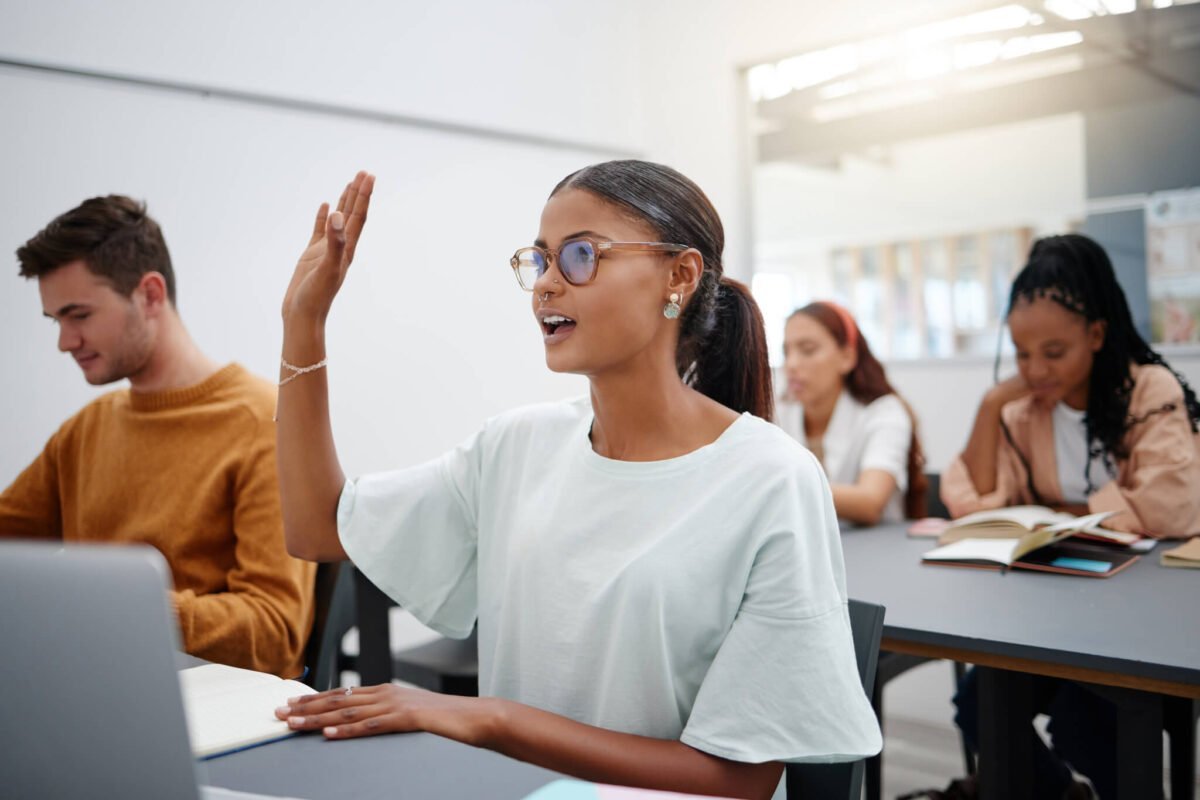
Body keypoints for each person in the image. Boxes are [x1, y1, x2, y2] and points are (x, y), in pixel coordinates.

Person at [272, 164, 881, 799]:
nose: (546, 286)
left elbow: (739, 780)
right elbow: (318, 525)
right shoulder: (515, 445)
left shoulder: (772, 478)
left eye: (581, 256)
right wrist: (303, 321)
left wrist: (489, 720)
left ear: (680, 276)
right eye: (540, 261)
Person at [0, 195, 315, 678]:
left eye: (78, 315)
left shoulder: (261, 421)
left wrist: (121, 612)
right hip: (90, 685)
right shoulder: (87, 430)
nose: (64, 341)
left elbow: (275, 634)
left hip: (201, 701)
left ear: (149, 294)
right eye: (56, 321)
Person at [933, 233, 1200, 800]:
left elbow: (1173, 502)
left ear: (1098, 335)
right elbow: (974, 501)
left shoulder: (1148, 390)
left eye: (1054, 353)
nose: (1034, 370)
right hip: (1052, 610)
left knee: (1088, 722)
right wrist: (987, 406)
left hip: (1140, 620)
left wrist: (1066, 511)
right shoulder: (1023, 409)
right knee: (981, 706)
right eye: (1022, 353)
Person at [776, 302, 927, 525]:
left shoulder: (884, 413)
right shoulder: (781, 412)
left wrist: (776, 484)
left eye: (807, 350)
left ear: (847, 358)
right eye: (786, 352)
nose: (792, 364)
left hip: (875, 548)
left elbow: (870, 502)